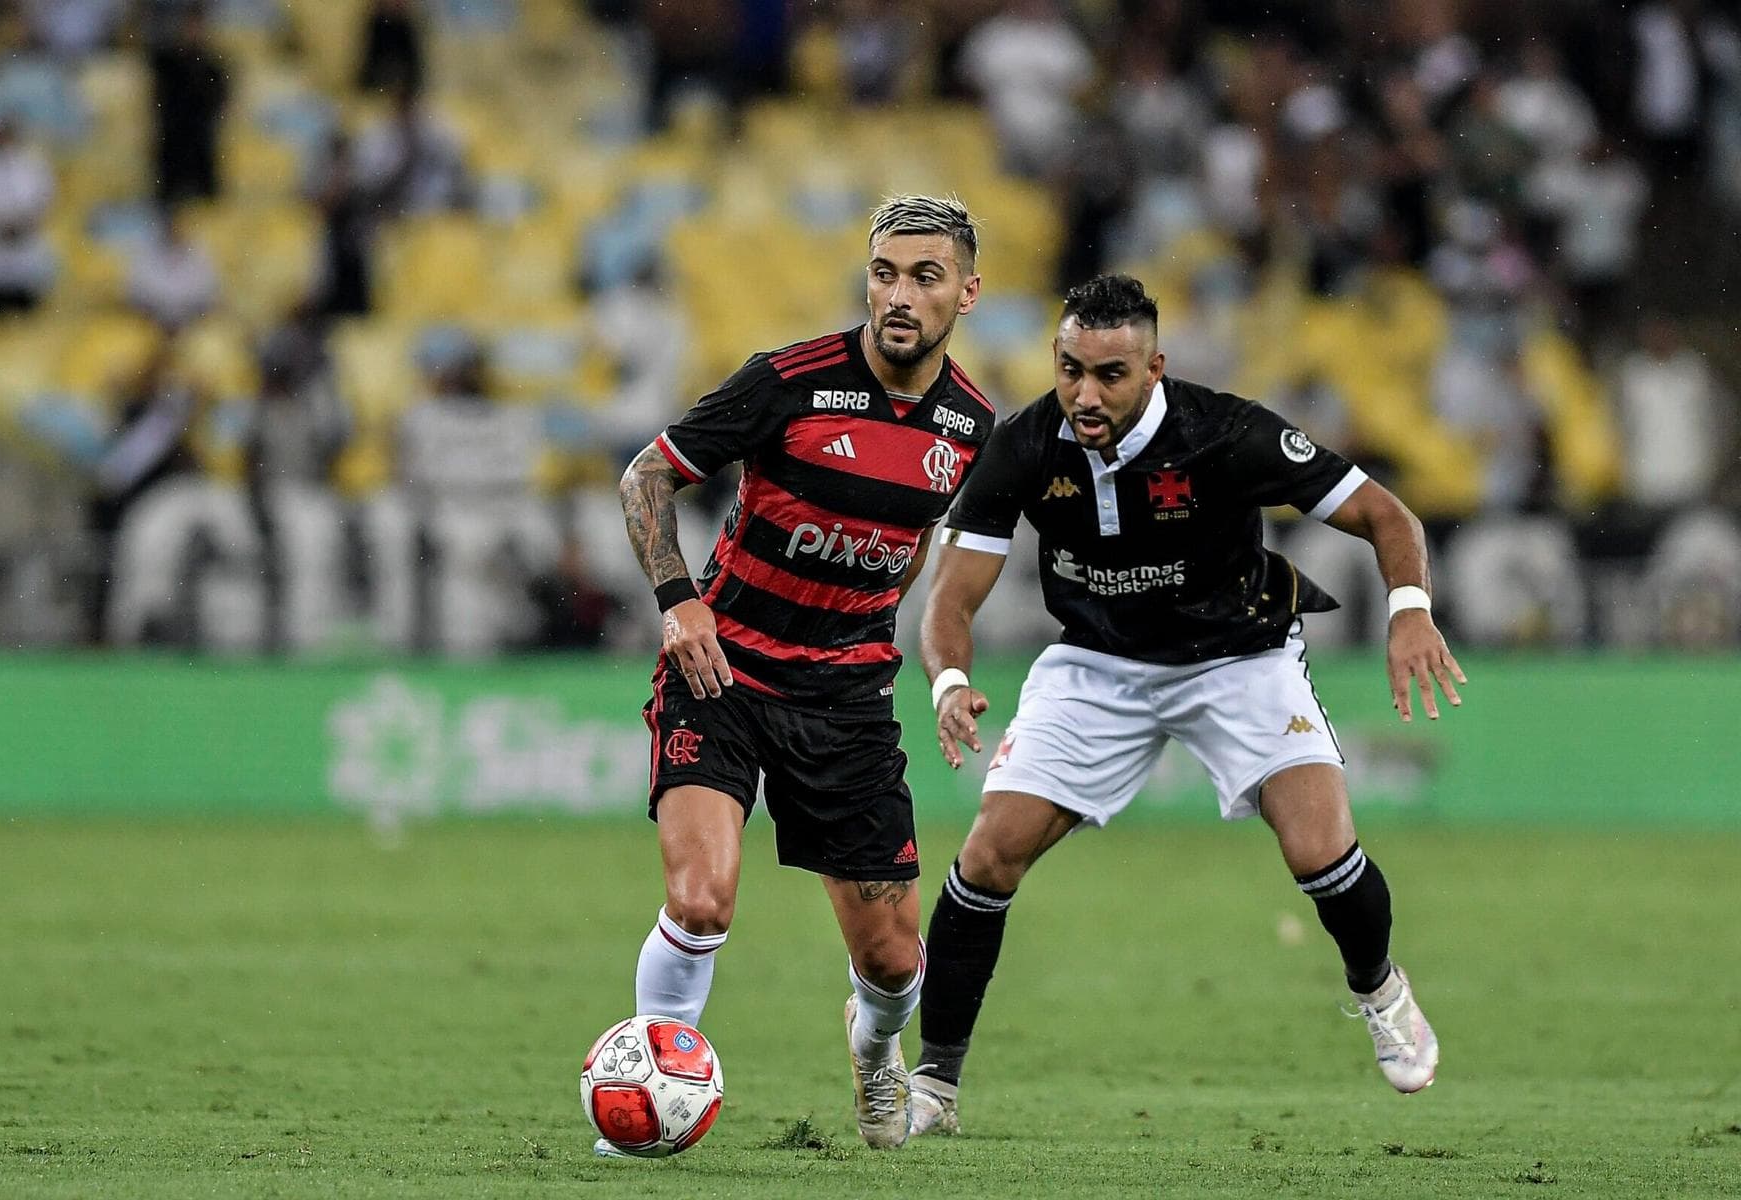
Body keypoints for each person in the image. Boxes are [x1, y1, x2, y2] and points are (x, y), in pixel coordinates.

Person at [906, 274, 1466, 1137]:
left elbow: (1388, 516)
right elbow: (949, 598)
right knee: (987, 856)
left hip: (1237, 655)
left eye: (1110, 375)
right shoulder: (1023, 444)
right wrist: (948, 681)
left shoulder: (1229, 435)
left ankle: (1378, 987)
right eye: (1070, 370)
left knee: (1321, 852)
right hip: (1098, 664)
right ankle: (934, 1088)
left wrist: (1410, 614)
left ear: (1155, 368)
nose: (1085, 395)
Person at [612, 194, 991, 1152]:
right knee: (701, 900)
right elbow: (645, 477)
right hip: (722, 672)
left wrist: (919, 659)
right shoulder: (787, 382)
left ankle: (873, 1055)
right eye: (885, 273)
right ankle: (653, 1098)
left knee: (897, 961)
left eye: (925, 277)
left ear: (969, 294)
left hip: (847, 697)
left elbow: (914, 553)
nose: (899, 295)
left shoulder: (974, 430)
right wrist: (677, 599)